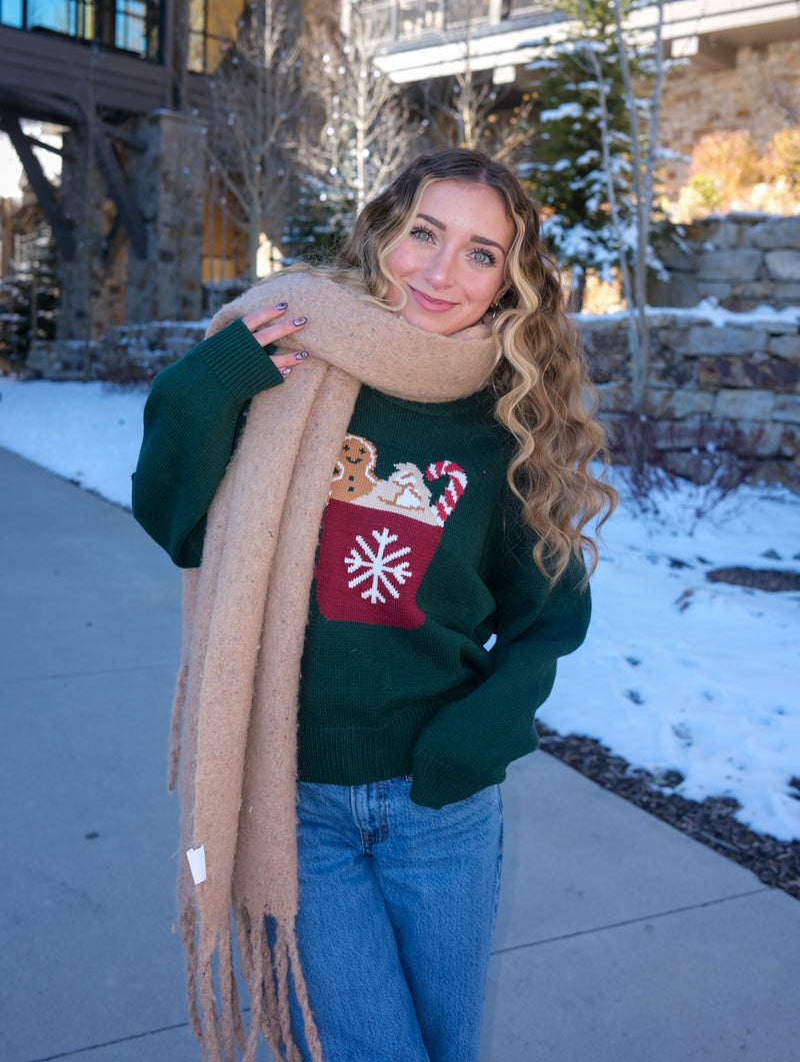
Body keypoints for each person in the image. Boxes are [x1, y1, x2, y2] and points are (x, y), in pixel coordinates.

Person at [132, 148, 616, 1062]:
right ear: (383, 231)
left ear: (509, 282)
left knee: (442, 1046)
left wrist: (475, 738)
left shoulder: (508, 420)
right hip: (292, 796)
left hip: (441, 803)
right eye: (426, 234)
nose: (442, 272)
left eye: (482, 253)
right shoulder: (288, 360)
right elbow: (176, 523)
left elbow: (548, 615)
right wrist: (207, 383)